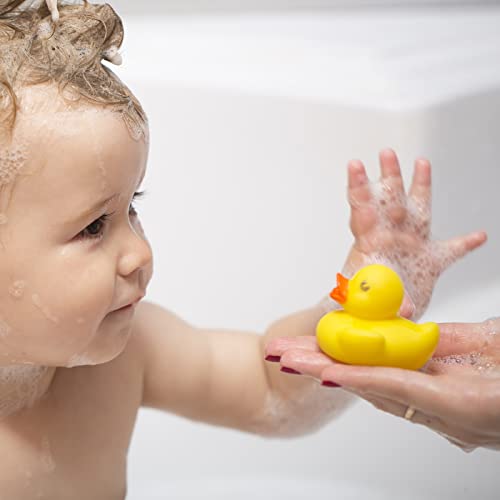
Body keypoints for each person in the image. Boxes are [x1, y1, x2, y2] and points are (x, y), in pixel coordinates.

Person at [0, 1, 486, 497]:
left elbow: (270, 390)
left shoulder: (128, 353)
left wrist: (360, 311)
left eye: (133, 207)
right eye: (94, 226)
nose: (141, 252)